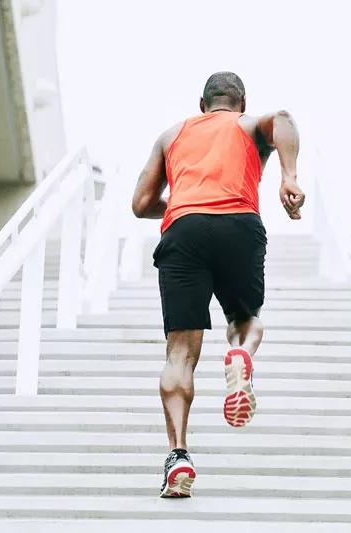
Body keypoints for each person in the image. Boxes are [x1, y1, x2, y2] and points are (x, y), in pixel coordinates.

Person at [131, 71, 304, 498]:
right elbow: (281, 117)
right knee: (245, 320)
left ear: (202, 102)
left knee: (179, 353)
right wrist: (289, 176)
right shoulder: (244, 125)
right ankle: (241, 353)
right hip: (238, 225)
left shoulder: (172, 135)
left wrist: (185, 202)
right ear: (241, 102)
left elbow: (140, 204)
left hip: (184, 230)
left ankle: (178, 457)